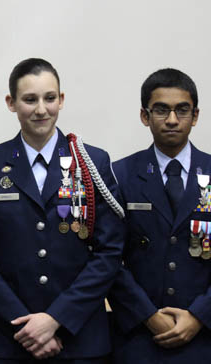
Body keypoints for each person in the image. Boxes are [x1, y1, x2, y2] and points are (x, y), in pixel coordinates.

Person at [0, 58, 125, 363]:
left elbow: (109, 253)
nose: (41, 109)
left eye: (49, 98)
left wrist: (56, 319)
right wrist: (25, 324)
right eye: (29, 99)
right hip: (8, 339)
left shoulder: (92, 162)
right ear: (11, 103)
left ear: (61, 100)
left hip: (79, 340)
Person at [109, 68, 211, 363]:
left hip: (204, 338)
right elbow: (108, 258)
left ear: (196, 115)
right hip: (139, 338)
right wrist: (148, 315)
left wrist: (199, 316)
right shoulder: (120, 175)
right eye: (161, 110)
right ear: (145, 116)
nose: (171, 120)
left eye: (182, 110)